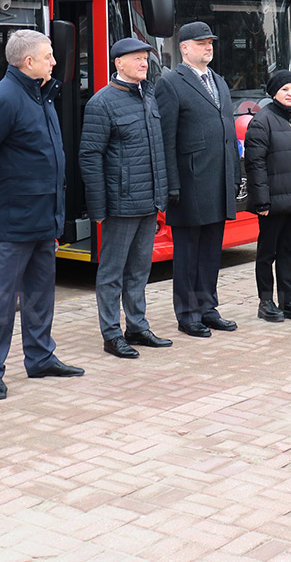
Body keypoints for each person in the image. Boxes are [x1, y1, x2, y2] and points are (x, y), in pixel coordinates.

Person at [0, 29, 84, 400]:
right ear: (28, 62)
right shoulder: (3, 99)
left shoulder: (41, 93)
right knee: (1, 298)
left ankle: (41, 356)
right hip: (10, 221)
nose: (55, 61)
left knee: (40, 293)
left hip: (43, 217)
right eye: (48, 56)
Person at [78, 37, 173, 359]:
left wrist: (162, 195)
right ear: (118, 63)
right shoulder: (101, 103)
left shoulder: (149, 96)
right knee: (112, 273)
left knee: (139, 269)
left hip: (149, 201)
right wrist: (98, 208)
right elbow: (89, 157)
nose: (144, 63)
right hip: (121, 203)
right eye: (136, 59)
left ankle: (137, 326)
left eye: (145, 58)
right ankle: (111, 334)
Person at [154, 21, 242, 338]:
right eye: (201, 43)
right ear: (184, 48)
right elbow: (166, 139)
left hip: (217, 181)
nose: (208, 47)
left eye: (211, 42)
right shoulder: (170, 83)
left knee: (210, 252)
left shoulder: (218, 81)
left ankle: (207, 307)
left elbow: (228, 135)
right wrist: (171, 184)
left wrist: (233, 176)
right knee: (188, 254)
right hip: (189, 183)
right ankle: (187, 313)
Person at [243, 71, 291, 322]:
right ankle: (266, 301)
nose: (290, 94)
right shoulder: (262, 121)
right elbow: (255, 165)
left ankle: (289, 301)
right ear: (274, 92)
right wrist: (262, 201)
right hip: (273, 203)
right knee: (267, 252)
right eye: (285, 89)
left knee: (288, 251)